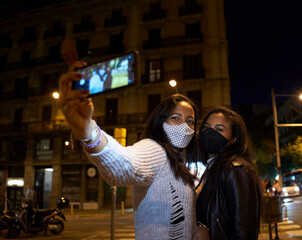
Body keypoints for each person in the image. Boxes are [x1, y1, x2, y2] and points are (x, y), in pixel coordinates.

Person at [58, 61, 199, 239]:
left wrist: (198, 228)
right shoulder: (156, 150)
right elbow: (122, 164)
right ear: (160, 122)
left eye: (190, 121)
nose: (184, 126)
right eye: (176, 118)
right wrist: (86, 128)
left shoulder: (179, 161)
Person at [193, 107, 261, 240]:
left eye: (219, 129)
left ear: (233, 139)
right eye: (206, 127)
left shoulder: (235, 170)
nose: (210, 132)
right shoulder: (215, 168)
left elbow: (243, 231)